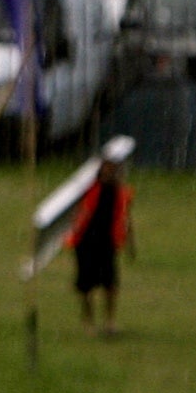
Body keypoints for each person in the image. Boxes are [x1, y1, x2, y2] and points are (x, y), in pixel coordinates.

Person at [70, 134, 135, 333]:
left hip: (107, 241)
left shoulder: (121, 192)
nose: (112, 170)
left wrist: (131, 243)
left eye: (115, 167)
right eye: (108, 166)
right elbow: (74, 211)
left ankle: (110, 321)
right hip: (86, 240)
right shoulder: (88, 187)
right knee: (86, 284)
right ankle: (88, 321)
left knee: (110, 284)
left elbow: (126, 218)